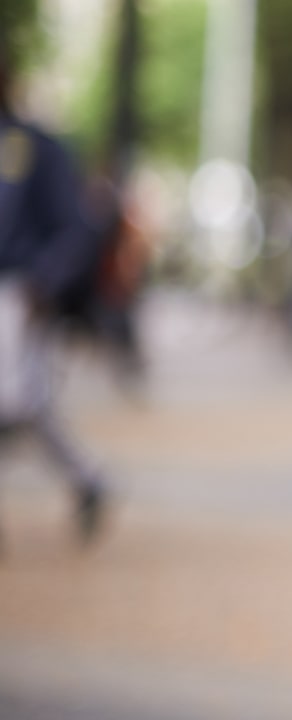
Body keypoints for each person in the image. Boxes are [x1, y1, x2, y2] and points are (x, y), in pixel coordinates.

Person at [0, 41, 109, 544]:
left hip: (19, 291)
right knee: (29, 405)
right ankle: (86, 479)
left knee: (15, 402)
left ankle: (87, 479)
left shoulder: (35, 147)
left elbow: (74, 226)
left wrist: (46, 280)